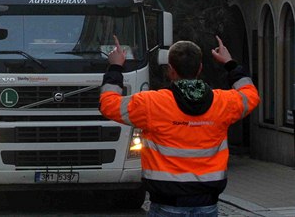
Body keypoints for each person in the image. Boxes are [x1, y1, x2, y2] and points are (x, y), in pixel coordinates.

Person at [99, 35, 260, 216]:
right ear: (200, 68)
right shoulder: (223, 103)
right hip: (208, 204)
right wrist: (230, 63)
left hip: (166, 204)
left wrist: (115, 67)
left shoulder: (152, 103)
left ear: (170, 70)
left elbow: (109, 105)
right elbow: (250, 96)